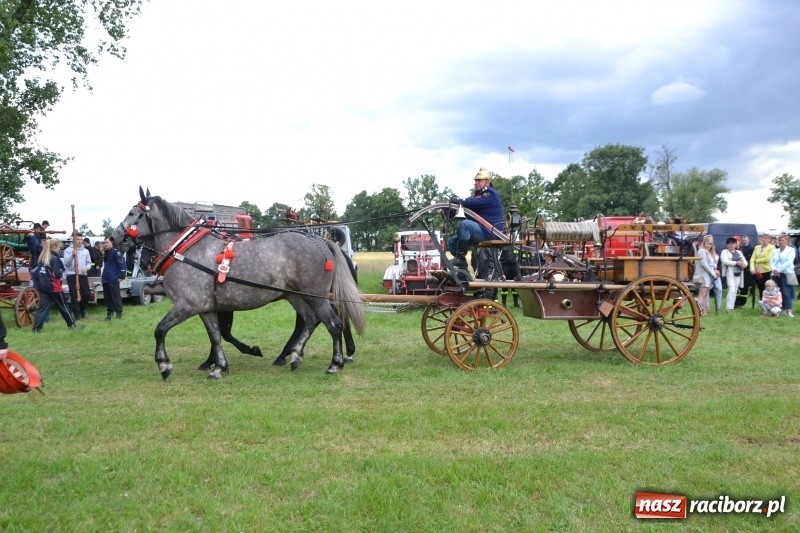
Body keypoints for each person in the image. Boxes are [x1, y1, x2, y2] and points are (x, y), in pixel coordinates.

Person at [446, 167, 505, 270]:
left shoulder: (489, 193)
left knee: (464, 224)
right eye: (475, 180)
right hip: (483, 230)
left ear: (487, 182)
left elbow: (470, 202)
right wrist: (447, 211)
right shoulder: (480, 195)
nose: (476, 182)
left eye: (479, 180)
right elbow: (470, 212)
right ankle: (463, 269)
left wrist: (458, 201)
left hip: (491, 232)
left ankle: (460, 258)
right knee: (452, 242)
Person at [32, 239, 83, 332]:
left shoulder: (42, 258)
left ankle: (36, 328)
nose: (59, 249)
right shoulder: (54, 258)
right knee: (64, 306)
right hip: (54, 286)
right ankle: (71, 324)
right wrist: (60, 272)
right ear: (54, 247)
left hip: (43, 286)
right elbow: (57, 274)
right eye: (59, 247)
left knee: (42, 308)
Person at [63, 232, 92, 321]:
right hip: (71, 274)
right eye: (78, 239)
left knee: (87, 294)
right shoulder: (68, 250)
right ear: (74, 240)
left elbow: (89, 263)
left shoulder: (86, 251)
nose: (80, 241)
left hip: (82, 274)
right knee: (74, 295)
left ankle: (81, 310)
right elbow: (66, 263)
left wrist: (86, 268)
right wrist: (72, 256)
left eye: (81, 239)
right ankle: (76, 314)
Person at [770, 233, 796, 318]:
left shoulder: (791, 250)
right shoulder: (775, 250)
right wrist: (774, 269)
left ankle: (788, 309)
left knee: (786, 293)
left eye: (782, 240)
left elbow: (789, 262)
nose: (780, 242)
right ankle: (779, 309)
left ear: (787, 241)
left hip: (786, 273)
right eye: (779, 240)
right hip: (775, 274)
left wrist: (778, 270)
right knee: (777, 292)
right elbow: (771, 261)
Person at [720, 237, 747, 312]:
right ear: (727, 245)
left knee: (735, 291)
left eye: (733, 244)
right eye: (730, 244)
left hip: (738, 273)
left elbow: (745, 261)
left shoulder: (738, 252)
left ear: (736, 244)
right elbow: (724, 261)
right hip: (729, 273)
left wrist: (743, 264)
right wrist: (736, 263)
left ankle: (732, 307)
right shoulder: (724, 252)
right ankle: (728, 307)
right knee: (731, 289)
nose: (731, 245)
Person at [102, 236, 126, 320]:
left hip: (113, 278)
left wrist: (121, 276)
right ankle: (109, 313)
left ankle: (118, 313)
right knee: (107, 297)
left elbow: (122, 264)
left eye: (107, 242)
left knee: (115, 296)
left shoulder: (116, 252)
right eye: (104, 242)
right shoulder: (106, 252)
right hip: (106, 278)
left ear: (112, 243)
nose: (105, 244)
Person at [696, 235, 719, 316]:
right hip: (703, 275)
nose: (709, 245)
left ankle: (704, 311)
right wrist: (712, 273)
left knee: (705, 294)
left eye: (710, 243)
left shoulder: (708, 252)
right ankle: (698, 311)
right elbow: (704, 264)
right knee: (701, 294)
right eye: (707, 243)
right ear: (704, 243)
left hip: (708, 275)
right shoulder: (702, 251)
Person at [749, 233, 775, 300]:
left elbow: (767, 259)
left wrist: (757, 260)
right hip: (757, 271)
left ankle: (769, 302)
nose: (764, 239)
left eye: (766, 238)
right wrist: (752, 269)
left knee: (767, 288)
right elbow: (752, 259)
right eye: (763, 238)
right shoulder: (757, 247)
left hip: (766, 271)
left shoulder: (772, 247)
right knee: (760, 288)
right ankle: (762, 302)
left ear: (769, 239)